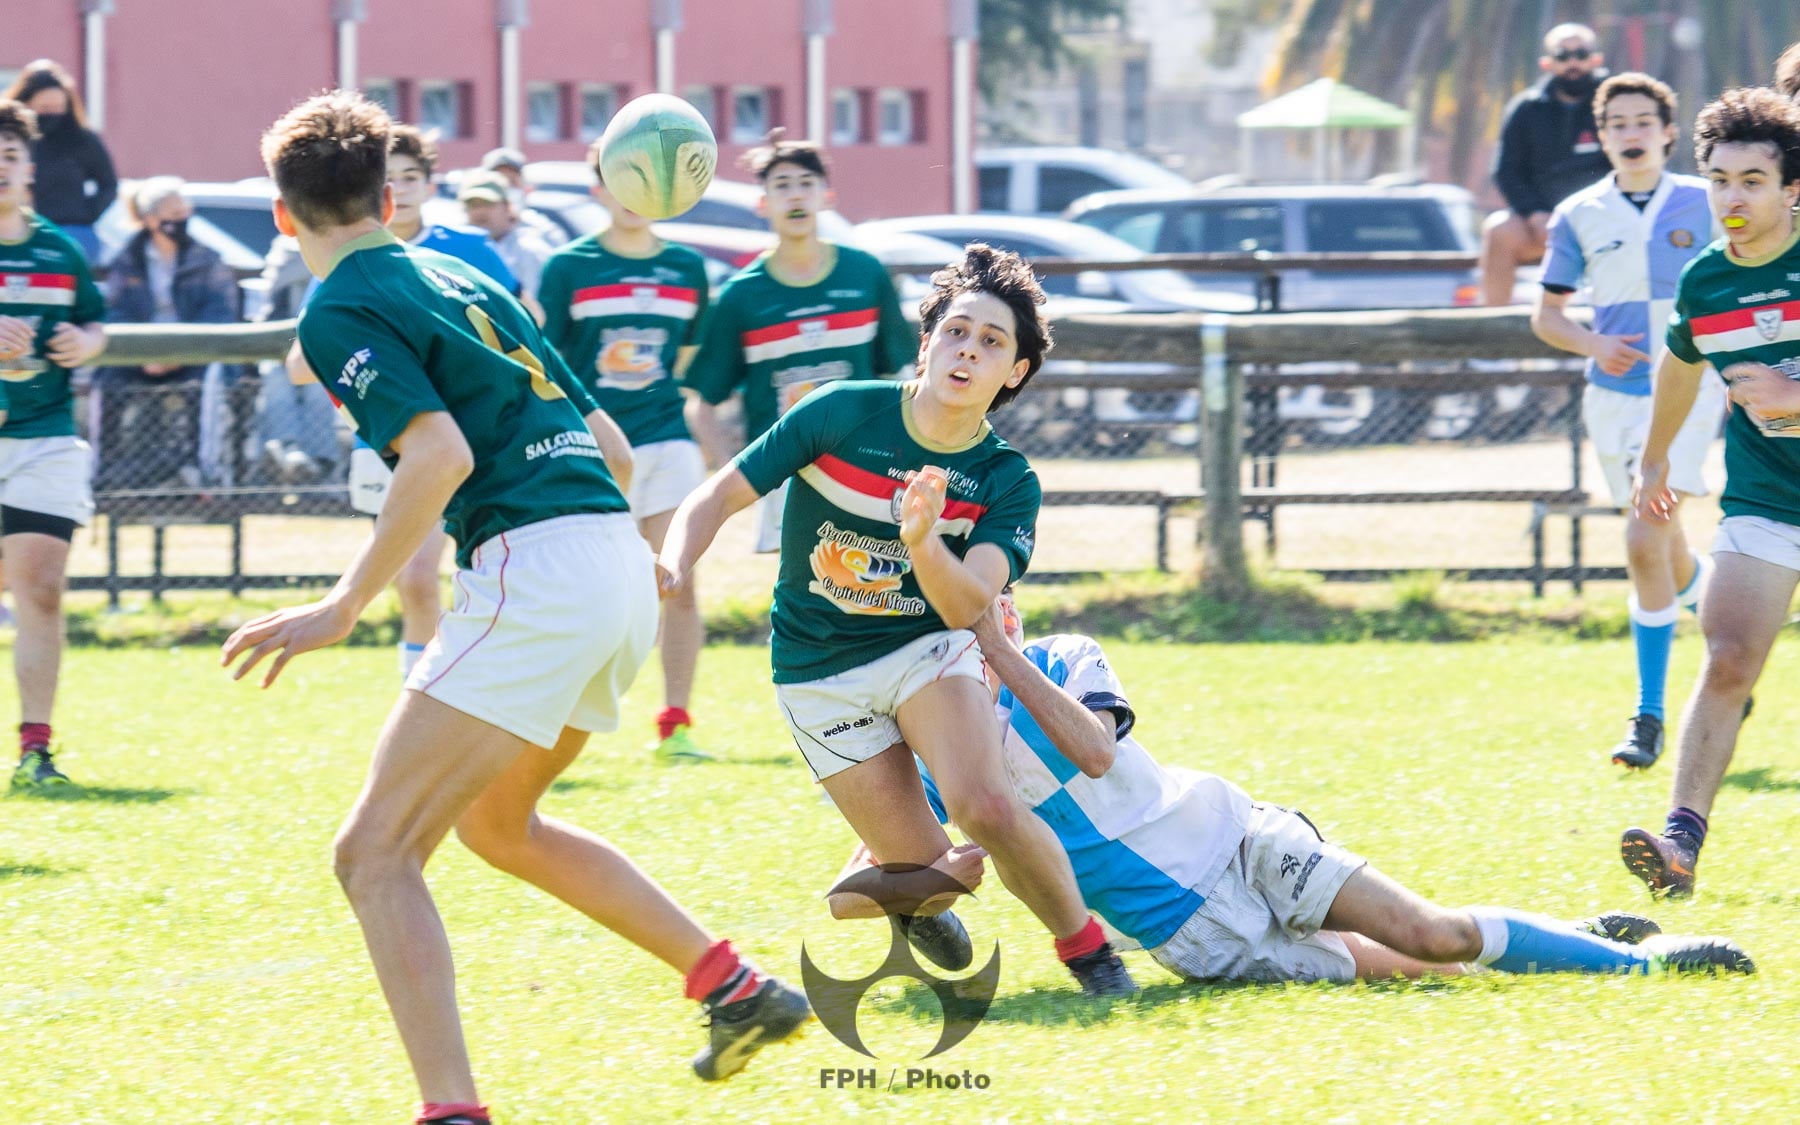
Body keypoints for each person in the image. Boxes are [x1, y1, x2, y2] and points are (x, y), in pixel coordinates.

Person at [224, 92, 808, 1125]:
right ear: (384, 193)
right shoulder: (463, 273)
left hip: (538, 574)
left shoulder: (339, 306)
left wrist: (345, 602)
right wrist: (611, 562)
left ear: (283, 214)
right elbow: (616, 451)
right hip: (610, 561)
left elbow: (440, 457)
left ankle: (453, 1112)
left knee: (373, 855)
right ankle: (734, 986)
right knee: (500, 824)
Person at [828, 589, 1756, 982]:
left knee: (1428, 928)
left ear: (1009, 610)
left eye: (982, 615)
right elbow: (849, 899)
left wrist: (1000, 654)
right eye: (950, 633)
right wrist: (947, 866)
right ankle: (1584, 937)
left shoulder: (1063, 656)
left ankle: (1650, 964)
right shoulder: (937, 761)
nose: (969, 641)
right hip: (1198, 930)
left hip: (1237, 834)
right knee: (1426, 968)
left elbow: (1098, 751)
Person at [660, 244, 1137, 996]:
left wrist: (923, 541)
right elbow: (716, 495)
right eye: (956, 331)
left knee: (985, 809)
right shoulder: (841, 410)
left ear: (1014, 372)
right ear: (926, 341)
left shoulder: (1006, 480)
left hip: (925, 648)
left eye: (991, 342)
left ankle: (1089, 954)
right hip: (818, 673)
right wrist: (674, 562)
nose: (967, 350)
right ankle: (916, 903)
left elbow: (963, 607)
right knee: (931, 878)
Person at [1624, 87, 1800, 900]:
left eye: (1753, 181)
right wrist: (1655, 460)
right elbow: (1681, 363)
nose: (1733, 198)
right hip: (1768, 500)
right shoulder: (1704, 283)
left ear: (1791, 188)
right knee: (1729, 656)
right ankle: (1680, 842)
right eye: (1721, 180)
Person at [1530, 73, 1723, 769]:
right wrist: (1594, 344)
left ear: (1669, 132)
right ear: (1601, 134)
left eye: (1645, 120)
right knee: (1662, 546)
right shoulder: (1577, 213)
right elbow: (1547, 316)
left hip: (1688, 389)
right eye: (1617, 122)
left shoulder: (1707, 201)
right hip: (1610, 399)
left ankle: (1648, 716)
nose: (1631, 131)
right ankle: (1720, 636)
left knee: (1644, 536)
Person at [286, 124, 520, 679]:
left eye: (413, 176)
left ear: (428, 186)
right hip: (389, 439)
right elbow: (303, 359)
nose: (403, 188)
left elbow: (518, 326)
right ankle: (424, 694)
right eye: (393, 177)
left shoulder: (462, 253)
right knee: (412, 582)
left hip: (470, 441)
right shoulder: (345, 258)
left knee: (468, 575)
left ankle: (455, 694)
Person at [538, 141, 714, 761]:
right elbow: (547, 364)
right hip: (594, 452)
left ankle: (676, 723)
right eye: (619, 180)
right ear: (598, 189)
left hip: (668, 443)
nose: (631, 194)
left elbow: (690, 361)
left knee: (678, 582)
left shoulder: (688, 269)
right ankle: (552, 725)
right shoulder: (567, 267)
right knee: (592, 590)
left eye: (645, 181)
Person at [680, 132, 914, 552]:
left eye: (806, 183)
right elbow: (703, 406)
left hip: (865, 466)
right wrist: (739, 475)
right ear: (763, 203)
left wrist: (905, 454)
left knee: (872, 592)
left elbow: (904, 376)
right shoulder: (741, 296)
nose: (795, 196)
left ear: (827, 196)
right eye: (782, 186)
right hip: (785, 480)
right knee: (803, 604)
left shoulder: (865, 276)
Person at [0, 101, 107, 790]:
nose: (2, 171)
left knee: (40, 587)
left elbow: (96, 325)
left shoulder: (59, 248)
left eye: (10, 157)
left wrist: (83, 343)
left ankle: (35, 750)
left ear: (29, 168)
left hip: (43, 440)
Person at [93, 176, 241, 490]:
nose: (180, 221)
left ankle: (201, 470)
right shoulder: (127, 261)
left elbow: (220, 314)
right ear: (149, 220)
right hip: (141, 355)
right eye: (171, 215)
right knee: (108, 378)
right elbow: (116, 313)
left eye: (184, 212)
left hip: (192, 354)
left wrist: (180, 352)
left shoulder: (206, 260)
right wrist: (142, 356)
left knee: (209, 378)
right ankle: (106, 471)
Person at [1480, 24, 1612, 305]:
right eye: (1563, 55)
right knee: (1498, 230)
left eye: (1580, 53)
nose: (1572, 62)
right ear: (1548, 63)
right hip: (1542, 224)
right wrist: (1536, 213)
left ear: (1596, 59)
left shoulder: (1615, 102)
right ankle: (1492, 330)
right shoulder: (1526, 108)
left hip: (1604, 218)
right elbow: (1506, 171)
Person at [0, 61, 115, 264]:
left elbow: (108, 184)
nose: (52, 114)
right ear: (26, 105)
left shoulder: (83, 140)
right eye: (45, 108)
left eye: (58, 108)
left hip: (74, 230)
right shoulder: (12, 140)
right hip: (19, 228)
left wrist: (86, 213)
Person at [458, 171, 553, 312]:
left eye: (488, 203)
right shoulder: (456, 252)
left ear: (507, 207)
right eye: (473, 204)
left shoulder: (530, 251)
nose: (480, 211)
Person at [478, 146, 568, 248]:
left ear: (527, 188)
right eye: (497, 183)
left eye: (512, 181)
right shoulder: (465, 231)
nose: (506, 188)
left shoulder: (544, 232)